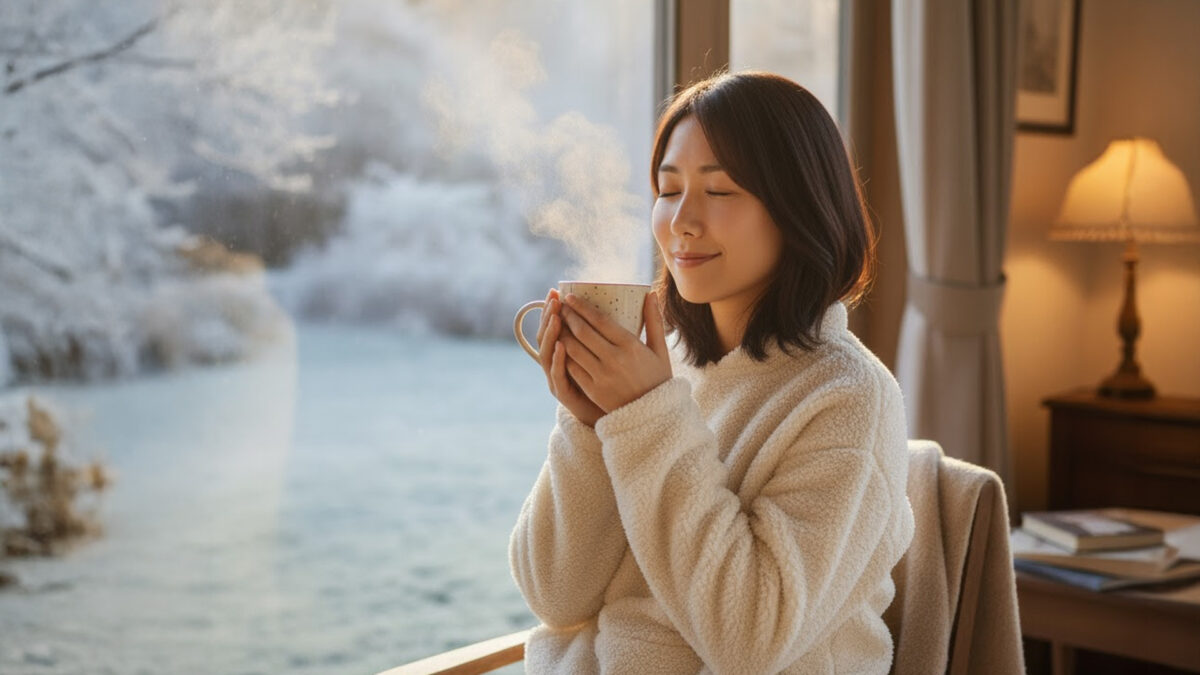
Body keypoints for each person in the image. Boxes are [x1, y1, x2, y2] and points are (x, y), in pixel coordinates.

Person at [509, 70, 914, 674]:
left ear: (798, 206)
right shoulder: (662, 373)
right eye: (668, 191)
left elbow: (751, 639)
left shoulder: (849, 398)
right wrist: (592, 427)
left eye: (719, 192)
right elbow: (554, 594)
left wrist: (644, 420)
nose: (681, 222)